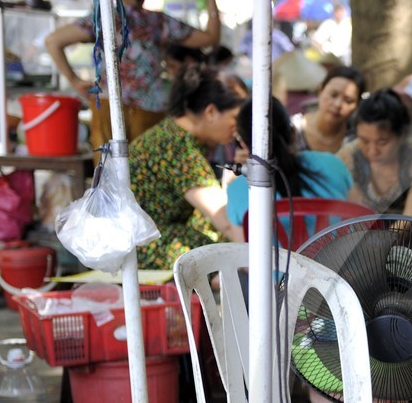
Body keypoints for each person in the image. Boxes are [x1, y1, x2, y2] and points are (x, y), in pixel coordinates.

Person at [46, 0, 221, 156]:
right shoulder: (158, 22)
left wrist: (74, 80)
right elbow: (211, 38)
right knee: (146, 175)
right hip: (150, 107)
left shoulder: (103, 18)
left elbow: (53, 41)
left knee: (107, 177)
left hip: (107, 106)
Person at [129, 66, 246, 270]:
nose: (238, 129)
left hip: (143, 236)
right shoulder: (178, 147)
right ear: (210, 112)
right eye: (236, 119)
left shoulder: (172, 134)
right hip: (141, 247)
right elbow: (226, 219)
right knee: (218, 259)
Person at [223, 97, 352, 232]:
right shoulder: (333, 165)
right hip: (341, 253)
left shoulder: (237, 190)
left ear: (244, 143)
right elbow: (359, 219)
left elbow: (243, 248)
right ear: (293, 133)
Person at [338, 89, 412, 224]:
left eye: (382, 142)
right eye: (364, 140)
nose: (372, 150)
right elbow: (358, 216)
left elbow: (409, 221)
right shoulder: (349, 157)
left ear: (402, 135)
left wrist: (382, 245)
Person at [293, 66, 362, 154]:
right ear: (320, 90)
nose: (338, 104)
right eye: (333, 95)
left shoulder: (357, 138)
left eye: (348, 100)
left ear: (357, 104)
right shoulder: (293, 130)